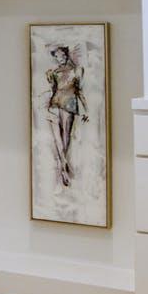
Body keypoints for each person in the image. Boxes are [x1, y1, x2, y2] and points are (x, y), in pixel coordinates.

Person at [44, 44, 87, 188]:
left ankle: (63, 165)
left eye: (61, 55)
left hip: (69, 105)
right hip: (55, 105)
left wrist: (86, 110)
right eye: (56, 56)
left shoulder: (77, 71)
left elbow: (79, 91)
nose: (59, 58)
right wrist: (46, 107)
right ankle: (63, 168)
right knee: (57, 139)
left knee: (65, 138)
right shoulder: (53, 72)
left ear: (66, 54)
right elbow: (52, 91)